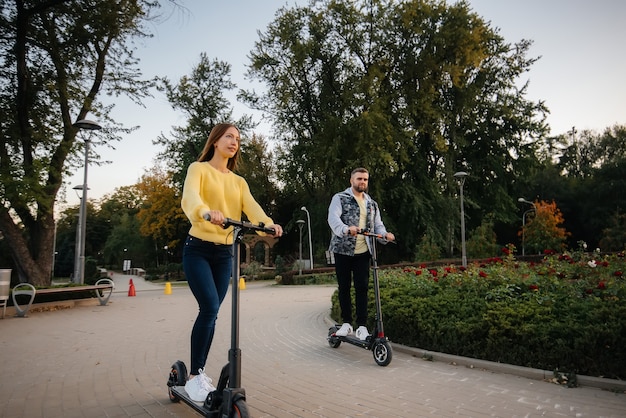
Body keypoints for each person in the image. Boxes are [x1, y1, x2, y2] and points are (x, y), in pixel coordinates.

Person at [180, 123, 283, 402]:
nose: (234, 141)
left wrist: (269, 225)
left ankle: (198, 373)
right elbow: (190, 198)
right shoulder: (198, 169)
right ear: (215, 141)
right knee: (210, 306)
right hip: (198, 249)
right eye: (229, 136)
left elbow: (253, 209)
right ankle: (194, 377)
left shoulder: (238, 182)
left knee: (212, 313)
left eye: (238, 138)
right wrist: (204, 212)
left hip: (225, 253)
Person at [327, 167, 395, 341]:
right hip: (343, 250)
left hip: (364, 251)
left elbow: (377, 225)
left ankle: (362, 327)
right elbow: (333, 219)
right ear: (351, 180)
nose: (362, 182)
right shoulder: (340, 198)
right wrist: (345, 229)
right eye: (359, 179)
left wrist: (385, 235)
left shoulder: (372, 204)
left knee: (362, 288)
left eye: (365, 179)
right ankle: (347, 323)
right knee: (344, 287)